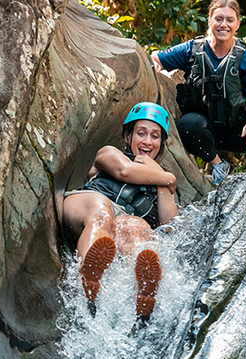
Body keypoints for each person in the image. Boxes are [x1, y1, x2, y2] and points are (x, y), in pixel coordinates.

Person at [57, 102, 178, 331]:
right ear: (127, 135)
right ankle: (87, 279)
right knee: (102, 212)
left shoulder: (163, 181)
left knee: (135, 227)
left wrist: (161, 177)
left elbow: (171, 226)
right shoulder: (109, 153)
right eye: (141, 133)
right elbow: (125, 171)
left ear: (161, 143)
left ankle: (142, 297)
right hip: (87, 205)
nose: (147, 142)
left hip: (120, 224)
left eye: (155, 136)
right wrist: (169, 178)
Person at [152, 0, 246, 185]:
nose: (224, 25)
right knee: (187, 125)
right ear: (209, 21)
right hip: (203, 131)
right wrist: (154, 65)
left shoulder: (245, 57)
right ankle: (219, 166)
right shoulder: (192, 49)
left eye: (229, 20)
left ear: (237, 24)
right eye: (219, 19)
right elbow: (156, 58)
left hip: (237, 130)